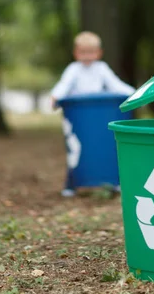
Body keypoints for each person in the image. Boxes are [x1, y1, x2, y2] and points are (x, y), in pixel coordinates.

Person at [51, 31, 135, 197]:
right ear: (76, 53)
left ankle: (112, 181)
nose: (87, 56)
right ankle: (72, 184)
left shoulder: (101, 68)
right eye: (83, 52)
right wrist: (56, 96)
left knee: (106, 147)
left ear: (99, 53)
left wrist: (134, 94)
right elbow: (64, 85)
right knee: (76, 149)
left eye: (91, 52)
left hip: (98, 114)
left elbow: (115, 85)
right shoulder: (73, 69)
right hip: (78, 116)